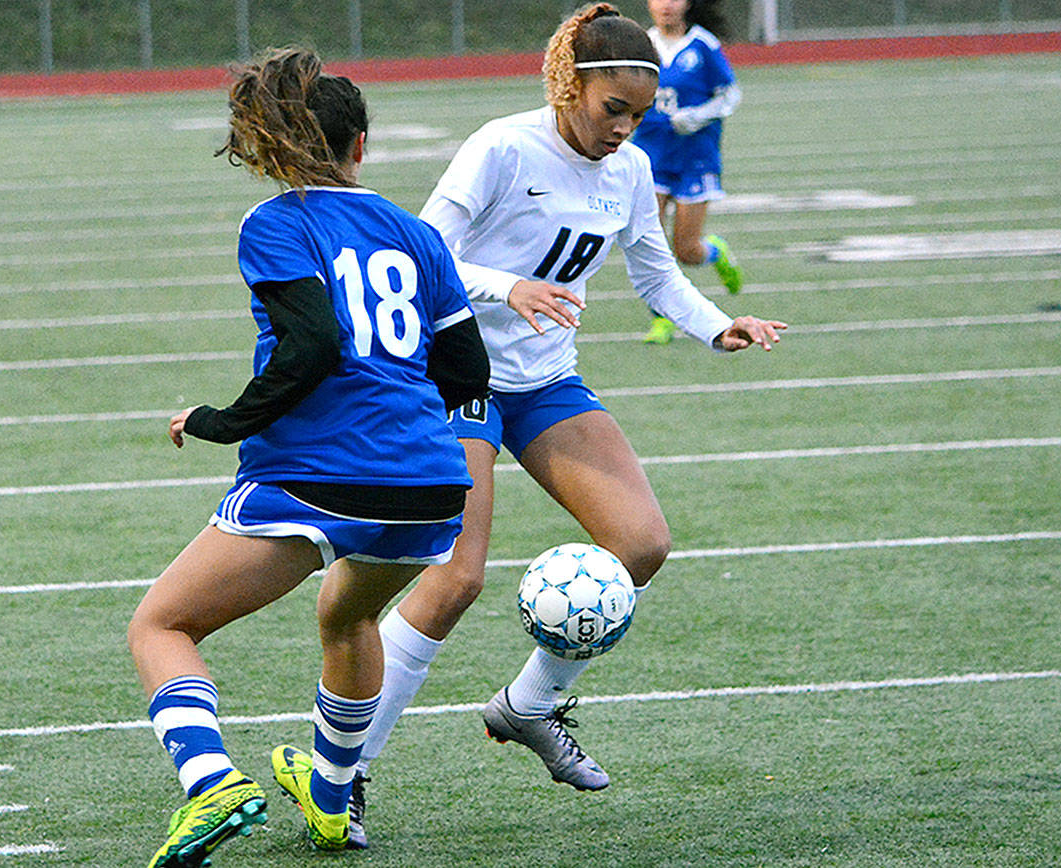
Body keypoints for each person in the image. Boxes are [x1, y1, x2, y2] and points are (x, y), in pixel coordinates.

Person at [344, 2, 785, 849]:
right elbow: (426, 251)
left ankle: (528, 706)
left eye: (637, 114)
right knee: (454, 579)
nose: (624, 128)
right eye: (612, 108)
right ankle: (347, 770)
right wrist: (505, 289)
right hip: (460, 376)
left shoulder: (628, 171)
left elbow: (658, 277)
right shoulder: (504, 146)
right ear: (567, 85)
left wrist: (715, 323)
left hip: (546, 383)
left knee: (642, 542)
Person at [126, 47, 489, 865]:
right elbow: (470, 372)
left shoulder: (275, 220)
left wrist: (222, 420)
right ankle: (331, 804)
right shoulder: (417, 232)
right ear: (361, 147)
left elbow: (314, 344)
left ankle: (212, 781)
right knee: (350, 614)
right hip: (431, 485)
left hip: (315, 475)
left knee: (162, 623)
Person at [631, 0, 744, 344]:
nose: (667, 5)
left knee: (686, 249)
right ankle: (662, 320)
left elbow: (730, 95)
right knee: (650, 245)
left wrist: (698, 115)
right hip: (651, 157)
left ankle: (715, 251)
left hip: (696, 158)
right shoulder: (640, 46)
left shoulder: (703, 45)